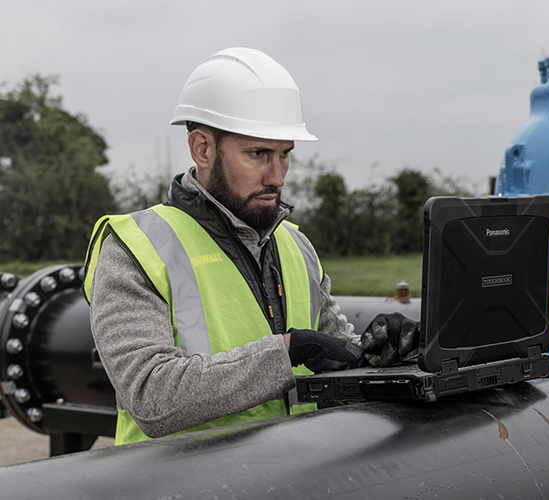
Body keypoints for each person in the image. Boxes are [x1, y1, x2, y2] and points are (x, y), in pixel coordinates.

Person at [83, 47, 418, 446]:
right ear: (202, 149)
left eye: (285, 155)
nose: (276, 176)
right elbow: (151, 396)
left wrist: (383, 350)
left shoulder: (295, 245)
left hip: (295, 476)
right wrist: (288, 351)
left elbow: (339, 354)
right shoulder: (136, 249)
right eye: (258, 154)